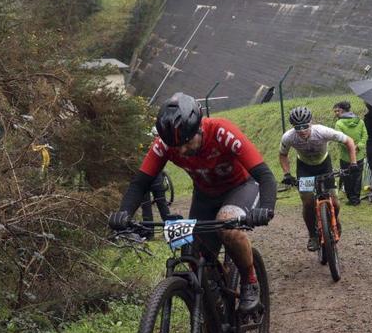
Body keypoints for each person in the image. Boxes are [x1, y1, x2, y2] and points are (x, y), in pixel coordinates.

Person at [109, 93, 276, 313]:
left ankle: (249, 281)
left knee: (228, 227)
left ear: (199, 128)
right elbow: (141, 182)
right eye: (175, 147)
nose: (181, 151)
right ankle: (214, 307)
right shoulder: (166, 144)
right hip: (205, 195)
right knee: (194, 256)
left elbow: (264, 175)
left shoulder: (222, 131)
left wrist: (265, 207)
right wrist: (124, 213)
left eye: (186, 143)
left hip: (240, 187)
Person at [278, 106, 359, 251]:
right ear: (293, 127)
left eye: (305, 126)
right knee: (308, 203)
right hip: (305, 168)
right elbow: (283, 155)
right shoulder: (288, 137)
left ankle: (335, 221)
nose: (302, 130)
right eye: (297, 127)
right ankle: (313, 236)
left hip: (324, 165)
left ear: (311, 123)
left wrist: (353, 163)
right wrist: (287, 174)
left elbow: (349, 141)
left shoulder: (322, 131)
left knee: (335, 202)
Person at [332, 100, 367, 206]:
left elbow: (339, 139)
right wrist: (358, 146)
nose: (336, 113)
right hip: (359, 155)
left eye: (337, 111)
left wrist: (349, 147)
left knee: (347, 177)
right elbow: (365, 136)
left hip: (345, 156)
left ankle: (351, 198)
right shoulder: (360, 121)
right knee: (357, 177)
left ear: (341, 110)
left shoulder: (339, 123)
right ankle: (356, 198)